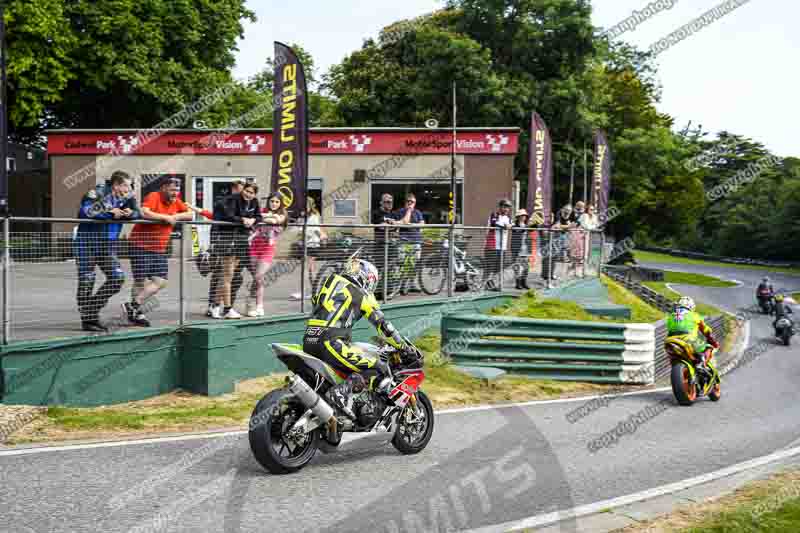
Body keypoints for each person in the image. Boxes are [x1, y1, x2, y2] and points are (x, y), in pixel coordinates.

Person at [303, 255, 417, 419]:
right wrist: (404, 347)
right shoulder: (361, 294)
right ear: (367, 278)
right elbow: (383, 325)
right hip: (331, 342)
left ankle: (334, 406)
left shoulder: (331, 282)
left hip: (309, 339)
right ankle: (340, 394)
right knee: (378, 367)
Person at [74, 171, 140, 332]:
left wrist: (130, 214)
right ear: (116, 185)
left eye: (130, 185)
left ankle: (91, 311)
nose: (128, 189)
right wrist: (110, 212)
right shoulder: (97, 193)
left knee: (117, 279)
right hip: (86, 243)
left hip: (108, 245)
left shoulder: (128, 197)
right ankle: (88, 320)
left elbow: (138, 212)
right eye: (126, 185)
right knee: (87, 281)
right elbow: (86, 211)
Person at [124, 177, 194, 326]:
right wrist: (165, 217)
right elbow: (144, 212)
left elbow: (190, 215)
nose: (175, 193)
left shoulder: (177, 201)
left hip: (158, 249)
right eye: (172, 190)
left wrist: (175, 216)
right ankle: (138, 314)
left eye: (177, 190)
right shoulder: (154, 196)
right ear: (163, 188)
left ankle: (133, 305)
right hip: (140, 246)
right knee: (140, 281)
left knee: (161, 281)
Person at [209, 182, 263, 319]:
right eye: (246, 191)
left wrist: (252, 221)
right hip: (228, 239)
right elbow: (229, 216)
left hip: (241, 241)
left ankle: (215, 305)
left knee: (228, 275)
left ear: (255, 194)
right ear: (242, 190)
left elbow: (259, 217)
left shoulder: (254, 202)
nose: (248, 194)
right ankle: (227, 309)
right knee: (227, 275)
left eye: (251, 192)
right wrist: (243, 220)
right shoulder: (232, 200)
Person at [205, 180, 246, 317]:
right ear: (234, 189)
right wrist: (212, 243)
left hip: (240, 243)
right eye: (242, 190)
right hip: (226, 242)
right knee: (223, 276)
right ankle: (221, 307)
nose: (244, 193)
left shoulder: (245, 203)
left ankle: (217, 306)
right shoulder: (223, 203)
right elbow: (216, 224)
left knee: (232, 277)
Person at [248, 192, 287, 316]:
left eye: (276, 202)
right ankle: (250, 304)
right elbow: (256, 219)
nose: (274, 204)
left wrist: (263, 217)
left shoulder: (283, 213)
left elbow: (277, 220)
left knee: (260, 277)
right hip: (255, 246)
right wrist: (267, 216)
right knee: (255, 277)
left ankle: (259, 306)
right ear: (268, 201)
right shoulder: (263, 210)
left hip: (267, 249)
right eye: (272, 201)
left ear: (280, 203)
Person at [666, 296, 720, 372]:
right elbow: (706, 331)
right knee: (708, 348)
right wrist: (714, 342)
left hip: (670, 341)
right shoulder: (694, 315)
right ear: (691, 307)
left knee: (673, 357)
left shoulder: (671, 316)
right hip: (688, 340)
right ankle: (701, 365)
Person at [290, 197, 328, 301]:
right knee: (309, 270)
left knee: (308, 270)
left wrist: (301, 229)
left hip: (312, 245)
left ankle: (308, 292)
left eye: (305, 205)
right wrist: (299, 229)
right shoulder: (304, 217)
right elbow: (295, 229)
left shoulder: (314, 217)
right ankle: (314, 291)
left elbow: (311, 230)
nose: (302, 207)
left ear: (310, 206)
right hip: (306, 245)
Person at [371, 193, 398, 298]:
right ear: (381, 202)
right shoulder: (377, 213)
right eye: (387, 202)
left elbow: (396, 228)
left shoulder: (394, 214)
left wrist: (391, 226)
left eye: (391, 202)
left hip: (391, 245)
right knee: (378, 270)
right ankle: (375, 291)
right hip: (380, 246)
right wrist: (391, 226)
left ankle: (387, 291)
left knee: (390, 269)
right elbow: (381, 227)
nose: (389, 204)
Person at [484, 199, 513, 290]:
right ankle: (483, 284)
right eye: (504, 206)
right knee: (489, 267)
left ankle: (494, 285)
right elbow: (494, 223)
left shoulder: (508, 218)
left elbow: (513, 225)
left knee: (499, 268)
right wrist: (505, 226)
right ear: (500, 207)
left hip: (502, 247)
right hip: (492, 245)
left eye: (508, 207)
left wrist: (510, 225)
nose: (506, 209)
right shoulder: (494, 215)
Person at [510, 209, 532, 290]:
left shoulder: (526, 225)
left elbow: (532, 230)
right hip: (516, 248)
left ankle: (524, 282)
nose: (524, 217)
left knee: (526, 266)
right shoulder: (514, 224)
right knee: (517, 267)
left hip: (525, 248)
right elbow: (517, 230)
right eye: (522, 215)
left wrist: (534, 224)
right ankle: (518, 283)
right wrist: (526, 228)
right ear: (518, 217)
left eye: (525, 216)